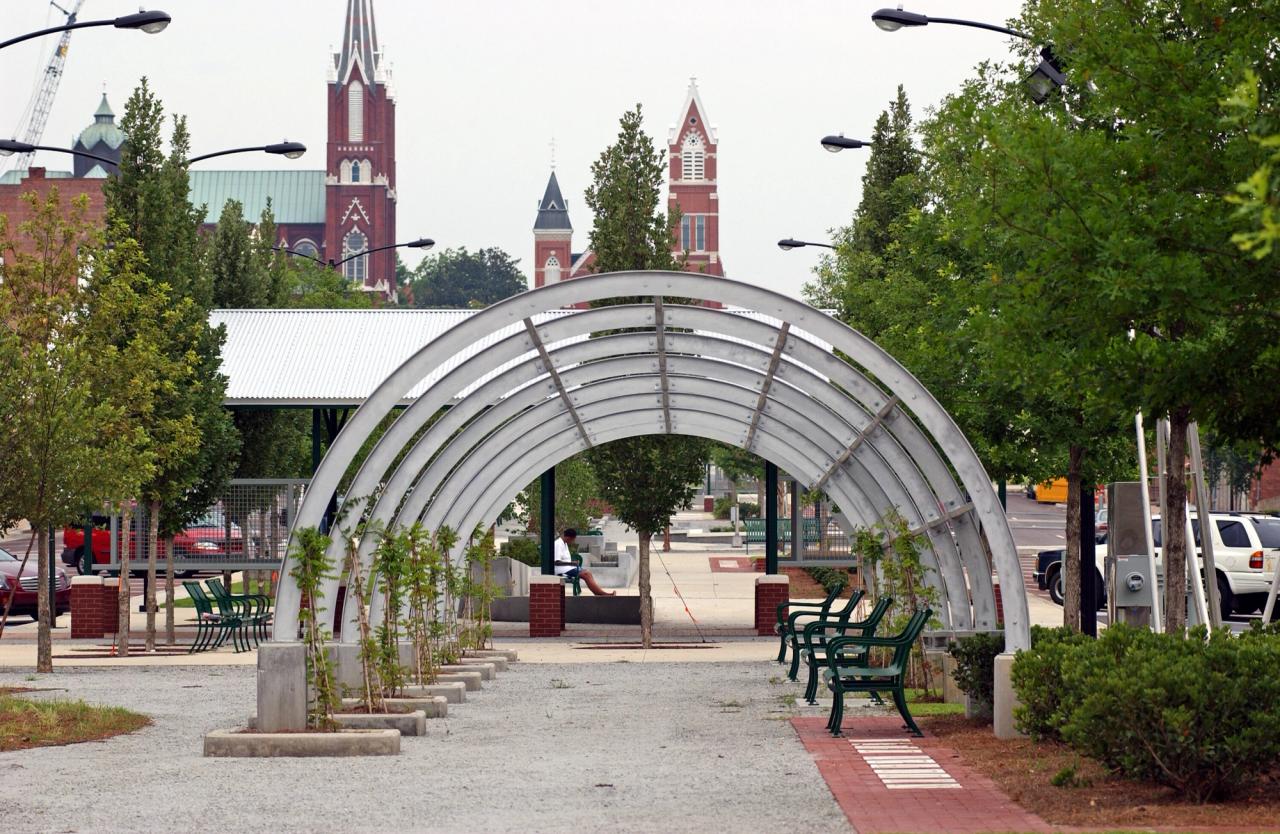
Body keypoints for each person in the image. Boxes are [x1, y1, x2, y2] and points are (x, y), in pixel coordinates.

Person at [554, 528, 615, 596]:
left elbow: (564, 559)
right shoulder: (558, 544)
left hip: (568, 567)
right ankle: (602, 594)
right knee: (586, 574)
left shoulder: (564, 543)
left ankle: (599, 593)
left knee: (588, 573)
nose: (573, 542)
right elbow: (556, 562)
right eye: (573, 540)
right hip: (561, 569)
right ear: (568, 538)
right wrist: (571, 563)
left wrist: (571, 563)